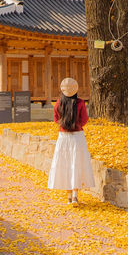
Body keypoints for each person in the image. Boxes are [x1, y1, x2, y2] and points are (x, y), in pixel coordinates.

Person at [47, 76, 95, 204]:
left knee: (65, 163)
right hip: (77, 136)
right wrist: (77, 124)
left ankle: (68, 197)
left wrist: (64, 124)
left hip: (63, 137)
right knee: (76, 163)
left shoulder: (58, 103)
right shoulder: (80, 103)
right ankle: (75, 195)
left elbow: (56, 119)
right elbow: (84, 119)